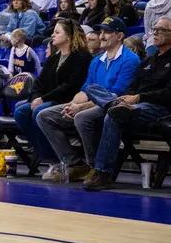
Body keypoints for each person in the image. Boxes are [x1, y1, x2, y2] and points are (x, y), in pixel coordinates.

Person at [36, 16, 140, 183]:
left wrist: (81, 107)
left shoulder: (130, 60)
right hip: (90, 105)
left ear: (119, 36)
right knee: (44, 116)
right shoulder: (96, 61)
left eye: (107, 32)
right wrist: (71, 104)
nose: (102, 36)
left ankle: (94, 167)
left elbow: (115, 96)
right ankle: (75, 163)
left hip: (114, 108)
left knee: (83, 117)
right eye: (101, 32)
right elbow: (85, 90)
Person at [81, 17, 171, 190]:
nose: (156, 33)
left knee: (113, 115)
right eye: (155, 29)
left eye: (162, 30)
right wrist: (126, 98)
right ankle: (114, 104)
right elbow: (131, 87)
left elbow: (168, 94)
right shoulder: (148, 61)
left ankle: (103, 173)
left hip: (159, 108)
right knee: (93, 89)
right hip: (133, 106)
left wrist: (138, 99)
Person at [12, 19, 92, 179]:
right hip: (49, 100)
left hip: (68, 101)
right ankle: (51, 158)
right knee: (21, 112)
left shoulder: (82, 57)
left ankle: (68, 160)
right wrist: (35, 97)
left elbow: (70, 86)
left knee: (39, 111)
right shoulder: (54, 58)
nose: (52, 35)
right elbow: (38, 83)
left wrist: (42, 99)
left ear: (68, 36)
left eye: (57, 32)